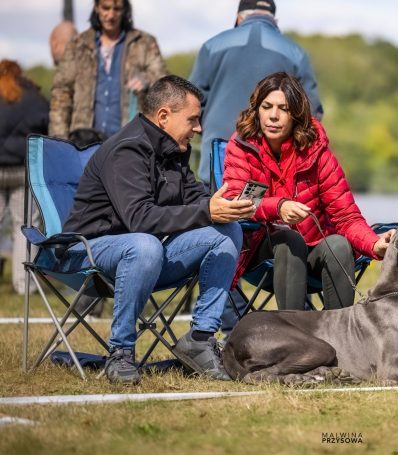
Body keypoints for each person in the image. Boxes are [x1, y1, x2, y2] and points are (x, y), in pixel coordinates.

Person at [57, 75, 255, 384]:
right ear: (163, 116)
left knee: (227, 231)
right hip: (86, 252)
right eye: (193, 119)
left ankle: (200, 339)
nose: (199, 128)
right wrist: (205, 210)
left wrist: (223, 206)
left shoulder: (172, 150)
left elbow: (196, 198)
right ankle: (120, 353)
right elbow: (140, 218)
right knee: (144, 244)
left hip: (143, 257)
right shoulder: (127, 150)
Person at [223, 72, 394, 313]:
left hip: (312, 250)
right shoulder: (241, 145)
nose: (273, 115)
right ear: (256, 110)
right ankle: (294, 338)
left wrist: (375, 244)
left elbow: (347, 217)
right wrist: (279, 206)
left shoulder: (318, 153)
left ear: (296, 115)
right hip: (259, 253)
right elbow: (234, 202)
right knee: (289, 239)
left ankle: (339, 338)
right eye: (266, 106)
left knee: (338, 244)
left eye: (283, 108)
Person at [189, 0, 323, 185]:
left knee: (217, 209)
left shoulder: (212, 46)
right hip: (272, 159)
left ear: (238, 18)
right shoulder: (296, 53)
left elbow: (191, 102)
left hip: (218, 153)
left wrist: (206, 130)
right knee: (269, 210)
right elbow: (312, 112)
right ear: (275, 20)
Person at [49, 0, 167, 140]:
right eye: (106, 8)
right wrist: (59, 140)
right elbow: (61, 94)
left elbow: (165, 84)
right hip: (83, 142)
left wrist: (146, 80)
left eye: (117, 9)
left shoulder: (144, 43)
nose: (111, 15)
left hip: (128, 143)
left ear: (125, 10)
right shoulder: (78, 45)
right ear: (97, 7)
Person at [0, 60, 48, 294]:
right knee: (25, 227)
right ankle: (25, 285)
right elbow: (47, 128)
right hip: (23, 170)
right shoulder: (34, 98)